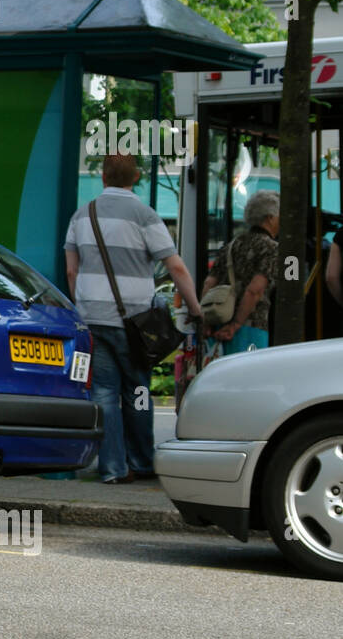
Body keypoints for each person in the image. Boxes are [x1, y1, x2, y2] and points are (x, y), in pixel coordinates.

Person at [65, 153, 204, 485]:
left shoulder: (83, 215)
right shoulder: (144, 215)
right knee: (138, 390)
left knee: (103, 393)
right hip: (134, 321)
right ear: (137, 176)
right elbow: (176, 267)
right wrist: (196, 308)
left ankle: (112, 468)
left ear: (103, 177)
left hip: (93, 319)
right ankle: (142, 461)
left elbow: (72, 269)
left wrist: (82, 304)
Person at [203, 190, 279, 354]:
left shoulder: (232, 245)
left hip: (218, 324)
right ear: (270, 218)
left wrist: (206, 322)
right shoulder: (271, 248)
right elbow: (255, 290)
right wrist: (236, 325)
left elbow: (209, 283)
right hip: (249, 327)